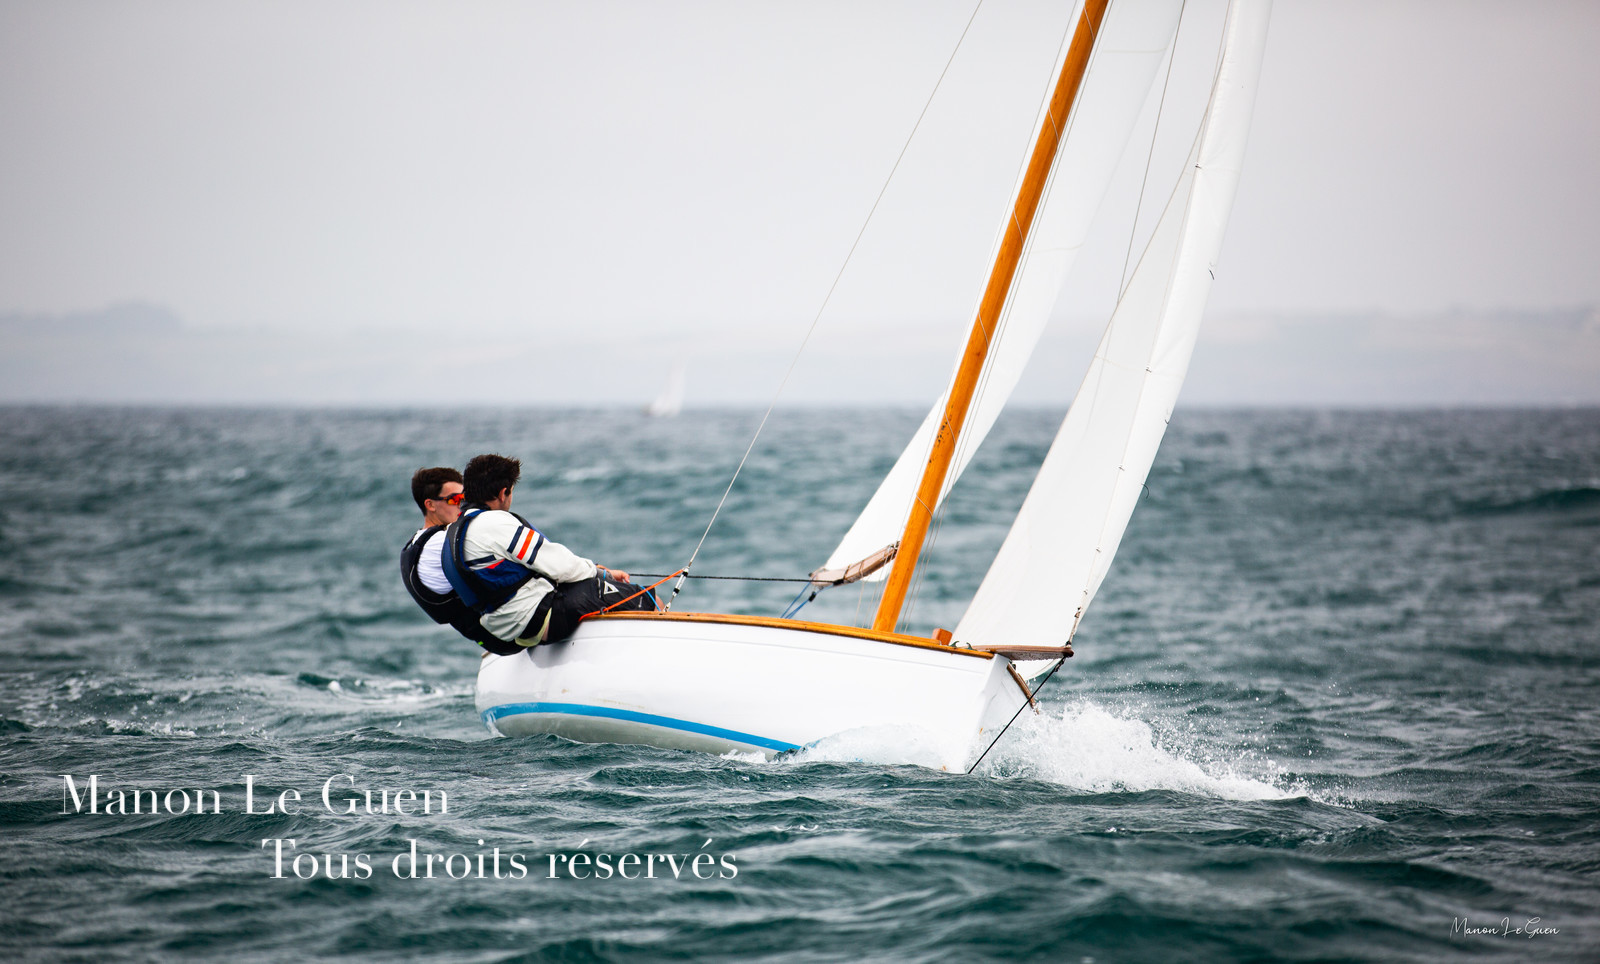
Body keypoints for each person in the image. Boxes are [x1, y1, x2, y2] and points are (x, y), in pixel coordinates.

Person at [441, 453, 655, 649]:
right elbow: (562, 567)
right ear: (503, 493)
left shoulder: (453, 532)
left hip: (507, 629)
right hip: (537, 618)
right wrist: (603, 574)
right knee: (644, 596)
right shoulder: (494, 523)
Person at [400, 466, 520, 655]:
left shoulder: (418, 544)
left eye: (465, 498)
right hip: (510, 635)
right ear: (430, 505)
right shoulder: (441, 543)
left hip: (495, 640)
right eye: (455, 499)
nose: (462, 505)